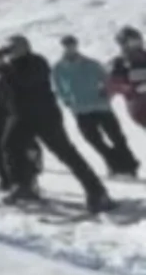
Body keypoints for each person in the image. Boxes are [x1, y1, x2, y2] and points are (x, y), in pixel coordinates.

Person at [0, 34, 114, 212]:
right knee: (10, 146)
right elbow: (3, 91)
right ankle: (22, 185)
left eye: (14, 48)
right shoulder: (7, 68)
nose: (11, 53)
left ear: (25, 47)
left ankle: (97, 191)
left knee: (65, 152)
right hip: (20, 115)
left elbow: (27, 81)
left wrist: (5, 70)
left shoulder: (37, 62)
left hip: (44, 115)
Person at [52, 35, 138, 178]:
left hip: (100, 106)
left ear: (76, 45)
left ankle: (129, 166)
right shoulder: (58, 68)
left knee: (117, 137)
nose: (70, 48)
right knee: (94, 140)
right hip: (81, 109)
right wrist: (67, 101)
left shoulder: (91, 64)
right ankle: (115, 163)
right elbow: (59, 87)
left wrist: (107, 94)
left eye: (72, 44)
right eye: (66, 45)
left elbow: (106, 80)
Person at [109, 26, 146, 131]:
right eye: (132, 42)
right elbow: (114, 84)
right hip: (140, 107)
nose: (137, 45)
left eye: (138, 41)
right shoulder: (119, 63)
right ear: (124, 45)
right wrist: (133, 89)